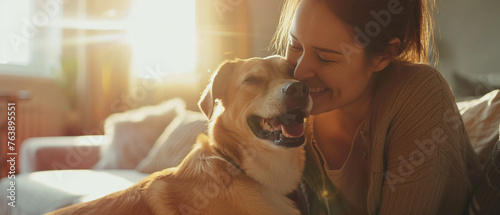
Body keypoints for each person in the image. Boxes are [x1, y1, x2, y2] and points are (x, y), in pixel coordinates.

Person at [272, 0, 482, 214]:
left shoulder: (421, 97)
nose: (299, 73)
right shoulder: (284, 99)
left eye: (325, 58)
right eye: (295, 45)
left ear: (384, 55)